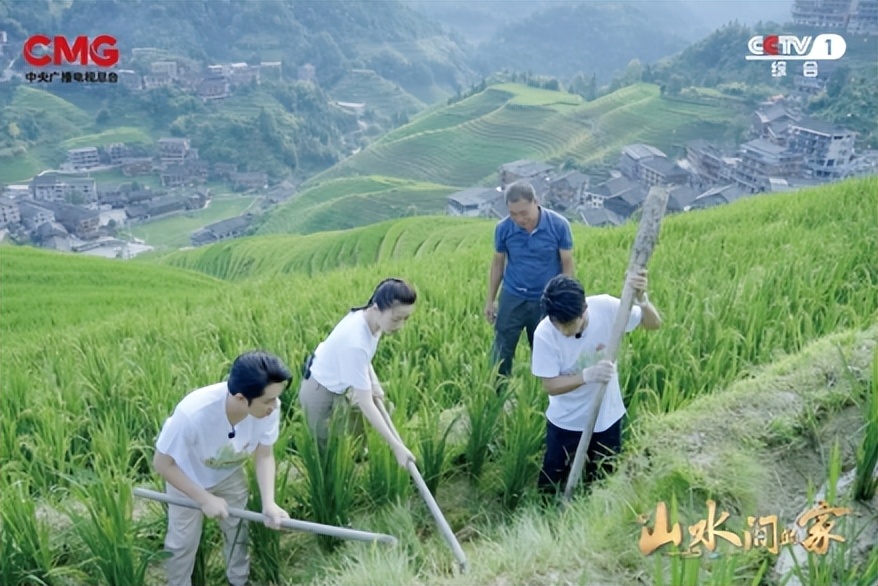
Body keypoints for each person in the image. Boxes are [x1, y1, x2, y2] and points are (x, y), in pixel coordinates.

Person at [152, 350, 293, 586]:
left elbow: (264, 454)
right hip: (186, 477)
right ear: (240, 398)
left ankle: (239, 581)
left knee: (238, 531)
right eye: (267, 400)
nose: (275, 406)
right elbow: (162, 463)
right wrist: (204, 498)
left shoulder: (270, 409)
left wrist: (269, 502)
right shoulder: (192, 413)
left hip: (229, 473)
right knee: (182, 543)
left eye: (276, 398)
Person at [531, 270, 662, 495]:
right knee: (552, 480)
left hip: (606, 417)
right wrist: (586, 376)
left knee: (604, 479)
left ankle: (595, 517)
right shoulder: (545, 333)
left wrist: (642, 299)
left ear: (583, 310)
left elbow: (653, 324)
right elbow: (550, 385)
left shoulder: (607, 308)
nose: (561, 330)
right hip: (566, 421)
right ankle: (548, 515)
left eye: (567, 324)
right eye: (556, 323)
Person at [298, 278, 417, 468]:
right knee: (326, 451)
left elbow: (364, 359)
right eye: (396, 319)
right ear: (377, 307)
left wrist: (374, 384)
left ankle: (359, 455)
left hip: (342, 378)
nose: (400, 325)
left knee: (368, 413)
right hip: (319, 390)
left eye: (405, 319)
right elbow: (366, 402)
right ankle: (331, 486)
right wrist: (396, 447)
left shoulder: (372, 321)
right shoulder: (355, 340)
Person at [485, 180, 575, 379]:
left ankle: (544, 394)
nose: (519, 219)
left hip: (545, 299)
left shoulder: (558, 225)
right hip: (512, 296)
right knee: (502, 347)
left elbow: (567, 263)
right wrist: (491, 300)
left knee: (546, 348)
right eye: (513, 214)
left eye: (524, 213)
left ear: (536, 201)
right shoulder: (503, 228)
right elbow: (498, 264)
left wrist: (564, 301)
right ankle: (497, 392)